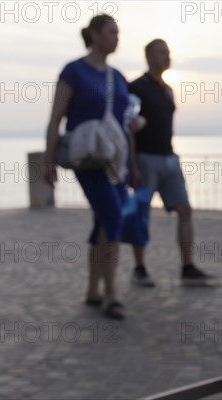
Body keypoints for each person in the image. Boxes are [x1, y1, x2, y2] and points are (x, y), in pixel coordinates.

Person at [44, 14, 142, 319]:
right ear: (96, 35)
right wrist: (49, 161)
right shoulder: (73, 71)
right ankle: (111, 294)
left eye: (118, 32)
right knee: (112, 217)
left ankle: (92, 290)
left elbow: (125, 125)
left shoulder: (119, 77)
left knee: (103, 221)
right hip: (88, 161)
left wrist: (133, 166)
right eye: (112, 32)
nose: (117, 37)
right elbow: (55, 117)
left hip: (117, 161)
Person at [127, 38, 214, 287]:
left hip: (169, 157)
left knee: (185, 210)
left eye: (169, 52)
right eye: (162, 52)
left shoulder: (167, 89)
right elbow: (128, 129)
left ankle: (187, 266)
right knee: (140, 213)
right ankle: (139, 268)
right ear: (148, 56)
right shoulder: (135, 88)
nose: (168, 56)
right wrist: (131, 166)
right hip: (145, 159)